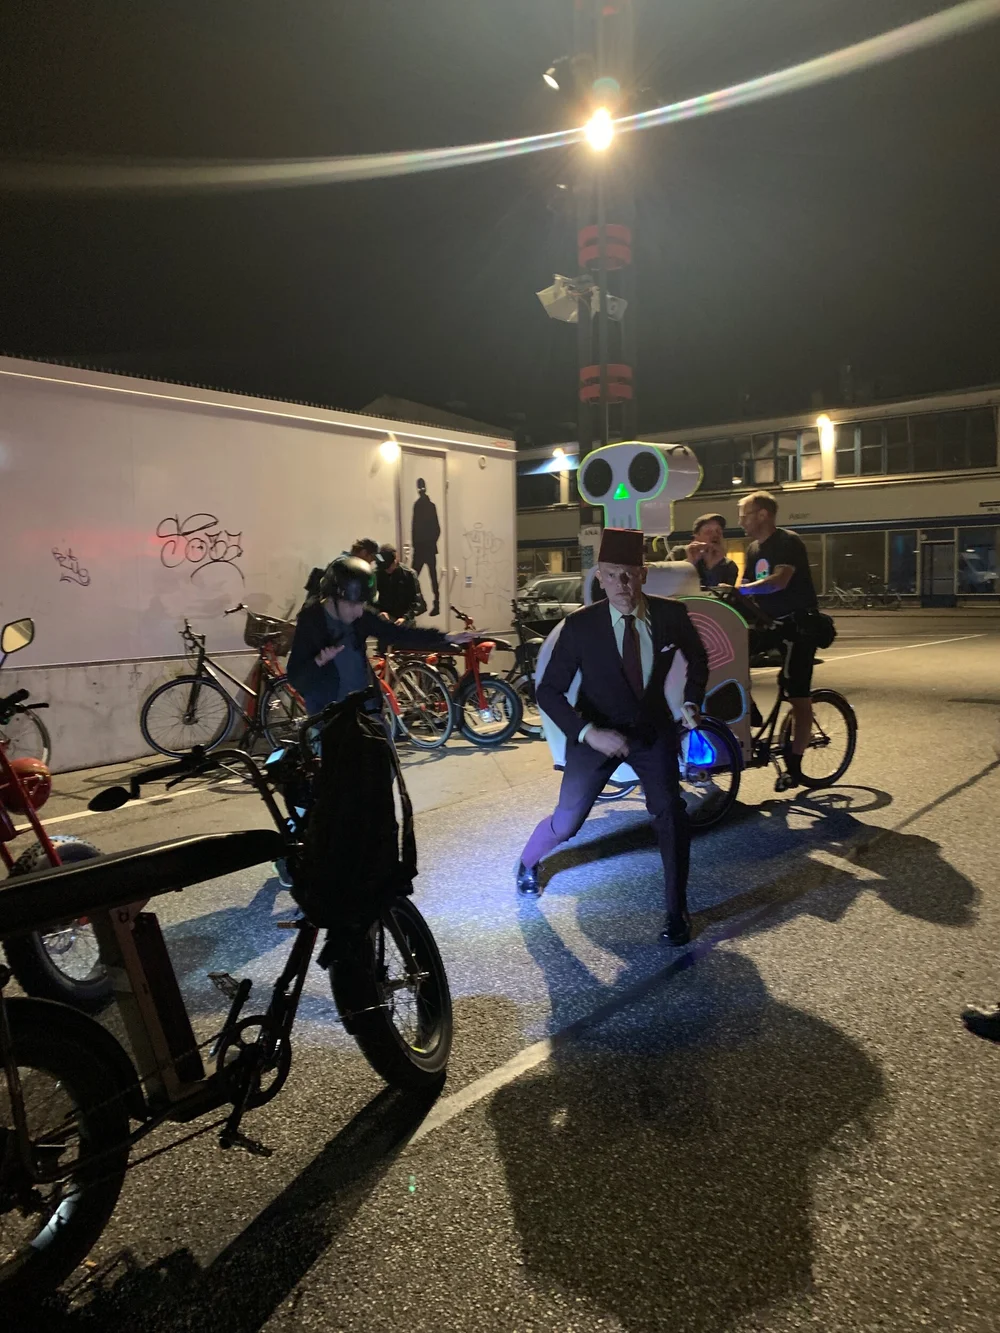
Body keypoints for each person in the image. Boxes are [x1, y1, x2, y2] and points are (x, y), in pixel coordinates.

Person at [515, 527, 709, 946]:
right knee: (567, 822)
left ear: (643, 575)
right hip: (594, 732)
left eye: (630, 574)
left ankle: (677, 912)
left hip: (650, 730)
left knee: (671, 816)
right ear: (599, 576)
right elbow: (547, 690)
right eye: (612, 574)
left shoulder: (670, 615)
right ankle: (528, 862)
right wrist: (588, 732)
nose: (622, 584)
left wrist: (692, 701)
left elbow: (698, 656)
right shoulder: (581, 627)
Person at [286, 555, 471, 718]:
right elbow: (296, 678)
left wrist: (445, 638)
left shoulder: (361, 617)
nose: (359, 612)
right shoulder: (311, 621)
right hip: (330, 719)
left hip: (368, 710)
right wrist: (319, 660)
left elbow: (399, 634)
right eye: (352, 605)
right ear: (333, 598)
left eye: (362, 604)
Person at [734, 491, 820, 786]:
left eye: (744, 514)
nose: (740, 520)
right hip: (769, 624)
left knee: (797, 694)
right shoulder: (753, 548)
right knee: (732, 654)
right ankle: (747, 707)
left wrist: (743, 590)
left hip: (799, 625)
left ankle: (794, 765)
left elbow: (778, 581)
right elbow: (748, 587)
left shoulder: (787, 542)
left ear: (762, 514)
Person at [684, 513, 739, 589]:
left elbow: (715, 596)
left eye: (718, 532)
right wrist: (690, 564)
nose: (715, 535)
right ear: (696, 537)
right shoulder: (679, 554)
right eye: (709, 532)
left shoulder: (728, 565)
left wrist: (712, 566)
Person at [375, 543, 425, 626]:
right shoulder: (377, 574)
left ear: (395, 560)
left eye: (388, 566)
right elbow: (369, 601)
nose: (386, 570)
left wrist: (405, 617)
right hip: (385, 623)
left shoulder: (409, 574)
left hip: (406, 623)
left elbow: (418, 603)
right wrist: (379, 612)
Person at [411, 478, 441, 617]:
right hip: (429, 547)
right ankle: (436, 603)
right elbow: (437, 528)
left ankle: (423, 603)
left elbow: (415, 528)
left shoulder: (418, 506)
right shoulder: (430, 506)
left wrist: (417, 545)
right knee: (432, 576)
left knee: (412, 576)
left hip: (422, 548)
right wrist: (432, 541)